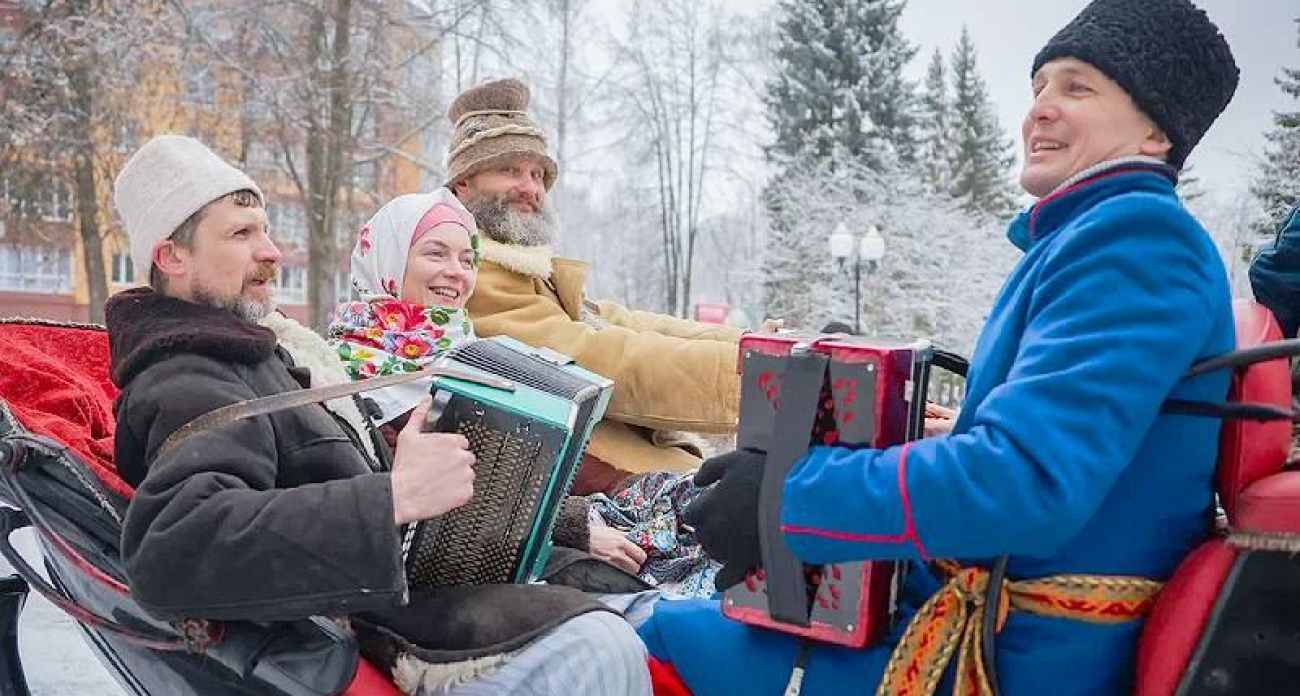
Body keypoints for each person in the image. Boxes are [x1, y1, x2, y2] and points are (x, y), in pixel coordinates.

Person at [639, 2, 1240, 695]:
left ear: (1156, 131)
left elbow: (1029, 480)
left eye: (1077, 88)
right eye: (1039, 87)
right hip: (986, 622)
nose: (1040, 110)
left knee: (650, 643)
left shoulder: (1135, 240)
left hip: (1009, 655)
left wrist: (784, 497)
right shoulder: (1094, 236)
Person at [106, 135, 650, 696]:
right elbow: (174, 545)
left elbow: (364, 476)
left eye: (265, 231)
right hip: (375, 626)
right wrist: (392, 496)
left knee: (639, 611)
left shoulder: (270, 356)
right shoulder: (188, 374)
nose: (271, 251)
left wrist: (559, 521)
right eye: (242, 234)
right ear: (172, 256)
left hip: (411, 591)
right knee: (602, 642)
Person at [328, 189, 725, 596]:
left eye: (467, 260)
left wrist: (639, 485)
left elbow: (544, 454)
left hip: (552, 516)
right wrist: (575, 527)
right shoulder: (355, 371)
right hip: (478, 561)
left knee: (709, 505)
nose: (455, 272)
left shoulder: (466, 349)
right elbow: (439, 496)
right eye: (435, 254)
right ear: (389, 260)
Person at [444, 77, 764, 494]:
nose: (531, 188)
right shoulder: (469, 275)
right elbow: (595, 357)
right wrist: (747, 374)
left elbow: (620, 322)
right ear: (463, 183)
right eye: (510, 170)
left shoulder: (525, 271)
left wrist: (747, 343)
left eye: (538, 174)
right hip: (590, 480)